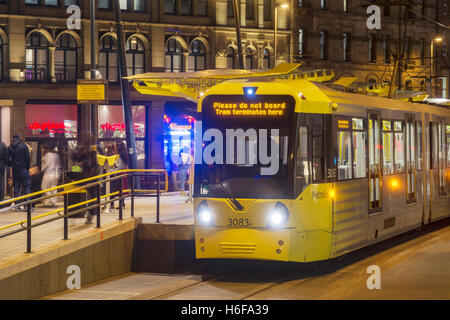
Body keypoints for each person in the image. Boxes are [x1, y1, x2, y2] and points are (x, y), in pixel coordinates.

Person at [8, 134, 31, 211]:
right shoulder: (24, 146)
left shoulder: (10, 147)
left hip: (15, 169)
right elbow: (27, 158)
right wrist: (27, 167)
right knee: (27, 187)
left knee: (16, 187)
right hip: (23, 169)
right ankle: (27, 205)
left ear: (13, 138)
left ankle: (17, 206)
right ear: (20, 138)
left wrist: (11, 164)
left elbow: (7, 158)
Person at [0, 140, 9, 206]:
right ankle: (1, 201)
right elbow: (7, 157)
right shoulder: (3, 145)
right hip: (1, 167)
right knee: (1, 183)